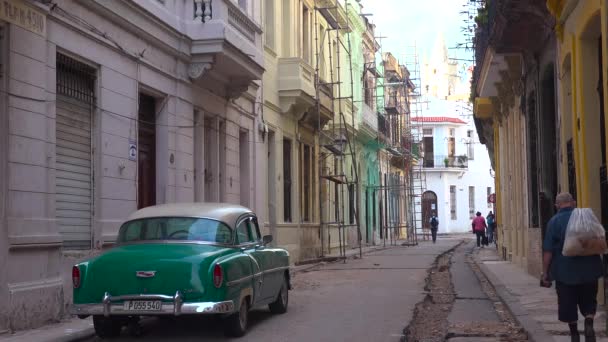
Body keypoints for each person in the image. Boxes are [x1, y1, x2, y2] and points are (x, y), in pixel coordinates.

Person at [541, 193, 603, 342]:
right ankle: (589, 323)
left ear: (557, 205)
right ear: (573, 203)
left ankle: (574, 334)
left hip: (565, 272)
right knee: (589, 300)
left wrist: (545, 273)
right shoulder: (585, 218)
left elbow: (548, 251)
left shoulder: (554, 222)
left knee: (568, 303)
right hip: (590, 270)